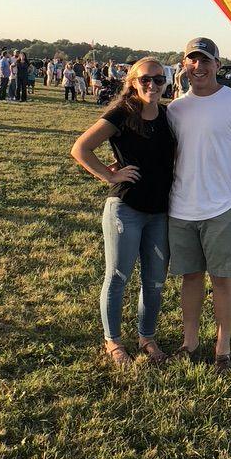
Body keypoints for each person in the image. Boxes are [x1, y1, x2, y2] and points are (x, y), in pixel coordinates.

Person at [165, 38, 231, 372]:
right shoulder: (176, 108)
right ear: (184, 66)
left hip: (222, 210)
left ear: (218, 66)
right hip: (180, 209)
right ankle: (190, 342)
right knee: (190, 278)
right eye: (192, 61)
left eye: (206, 61)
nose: (199, 67)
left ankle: (222, 350)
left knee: (222, 279)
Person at [71, 58, 176, 368]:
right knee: (118, 276)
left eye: (159, 80)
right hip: (126, 208)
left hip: (160, 211)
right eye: (145, 79)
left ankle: (147, 337)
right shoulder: (122, 113)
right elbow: (81, 148)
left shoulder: (169, 115)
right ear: (132, 81)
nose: (152, 85)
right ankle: (113, 341)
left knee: (155, 280)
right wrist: (110, 175)